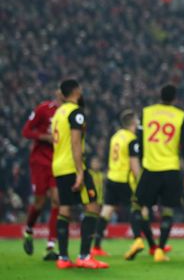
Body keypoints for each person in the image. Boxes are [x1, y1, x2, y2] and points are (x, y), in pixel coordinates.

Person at [50, 79, 108, 269]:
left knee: (65, 209)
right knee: (93, 206)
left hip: (58, 165)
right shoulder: (76, 113)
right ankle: (84, 256)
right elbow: (75, 143)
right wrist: (80, 172)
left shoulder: (58, 113)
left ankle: (63, 258)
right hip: (72, 166)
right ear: (76, 91)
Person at [134, 84, 184, 262]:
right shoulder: (180, 116)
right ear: (174, 98)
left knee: (141, 207)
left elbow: (139, 141)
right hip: (171, 169)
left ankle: (150, 243)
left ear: (159, 96)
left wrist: (142, 160)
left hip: (150, 167)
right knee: (168, 209)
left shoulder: (146, 113)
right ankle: (160, 249)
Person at [92, 109, 145, 259]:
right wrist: (141, 182)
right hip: (124, 180)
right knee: (134, 207)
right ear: (133, 123)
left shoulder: (115, 137)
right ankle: (138, 240)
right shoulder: (131, 140)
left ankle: (96, 246)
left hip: (111, 177)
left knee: (107, 210)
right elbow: (134, 164)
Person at [21, 92, 61, 261]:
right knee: (39, 203)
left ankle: (50, 246)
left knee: (57, 200)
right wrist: (45, 137)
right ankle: (29, 229)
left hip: (58, 161)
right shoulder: (44, 109)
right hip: (40, 161)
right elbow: (26, 131)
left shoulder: (70, 113)